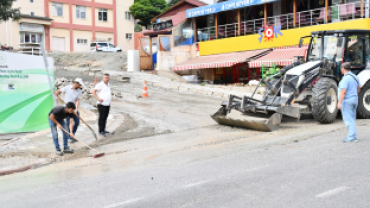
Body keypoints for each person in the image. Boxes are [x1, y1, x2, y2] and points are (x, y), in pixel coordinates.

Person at [337, 62, 361, 143]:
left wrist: (339, 102)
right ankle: (353, 135)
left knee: (348, 119)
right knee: (352, 119)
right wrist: (354, 94)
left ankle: (352, 137)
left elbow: (343, 91)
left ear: (343, 68)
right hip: (354, 99)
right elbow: (359, 87)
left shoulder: (345, 79)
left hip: (347, 101)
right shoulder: (355, 77)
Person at [55, 78, 83, 143]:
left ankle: (72, 135)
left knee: (77, 122)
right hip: (67, 109)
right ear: (76, 83)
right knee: (69, 123)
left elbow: (77, 101)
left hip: (74, 109)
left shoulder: (79, 91)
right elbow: (59, 91)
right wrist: (57, 93)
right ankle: (69, 137)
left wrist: (76, 109)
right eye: (80, 84)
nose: (80, 86)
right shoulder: (67, 88)